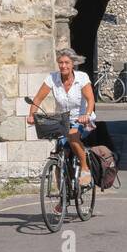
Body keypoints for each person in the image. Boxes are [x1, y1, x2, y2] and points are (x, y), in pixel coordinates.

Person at [27, 47, 97, 187]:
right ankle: (62, 196)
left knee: (73, 136)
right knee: (59, 154)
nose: (63, 66)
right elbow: (38, 98)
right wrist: (31, 114)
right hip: (62, 120)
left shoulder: (82, 78)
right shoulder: (52, 78)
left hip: (81, 119)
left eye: (66, 62)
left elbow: (90, 100)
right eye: (60, 62)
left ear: (73, 64)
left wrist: (87, 115)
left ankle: (84, 168)